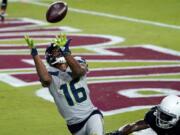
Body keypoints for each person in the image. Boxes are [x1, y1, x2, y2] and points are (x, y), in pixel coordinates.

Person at [24, 34, 104, 135]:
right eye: (54, 52)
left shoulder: (77, 61)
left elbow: (79, 72)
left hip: (91, 115)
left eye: (59, 51)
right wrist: (34, 53)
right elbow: (45, 80)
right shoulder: (50, 73)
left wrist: (66, 53)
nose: (57, 54)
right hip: (74, 126)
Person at [106, 95, 180, 135]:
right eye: (161, 113)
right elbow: (138, 125)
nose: (161, 118)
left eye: (166, 117)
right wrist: (119, 133)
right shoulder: (153, 116)